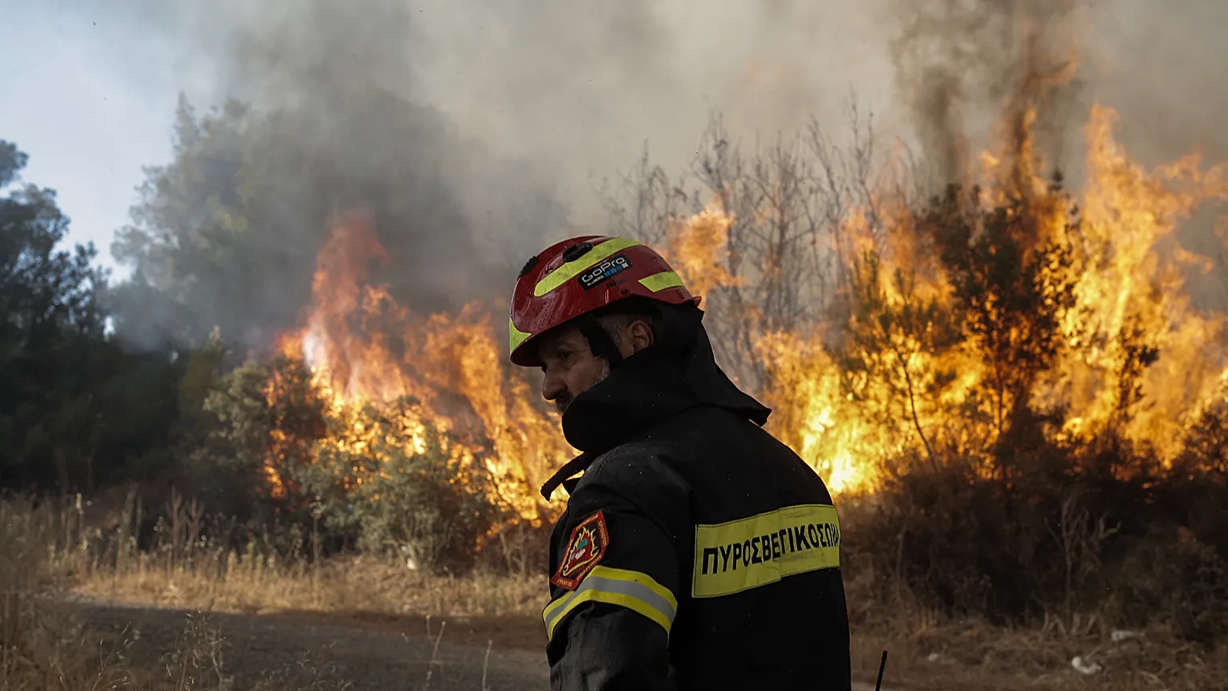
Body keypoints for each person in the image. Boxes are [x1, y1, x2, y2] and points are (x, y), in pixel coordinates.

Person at [508, 235, 852, 690]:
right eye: (546, 367)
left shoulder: (624, 491)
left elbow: (604, 677)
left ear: (637, 340)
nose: (549, 388)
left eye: (565, 357)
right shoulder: (794, 473)